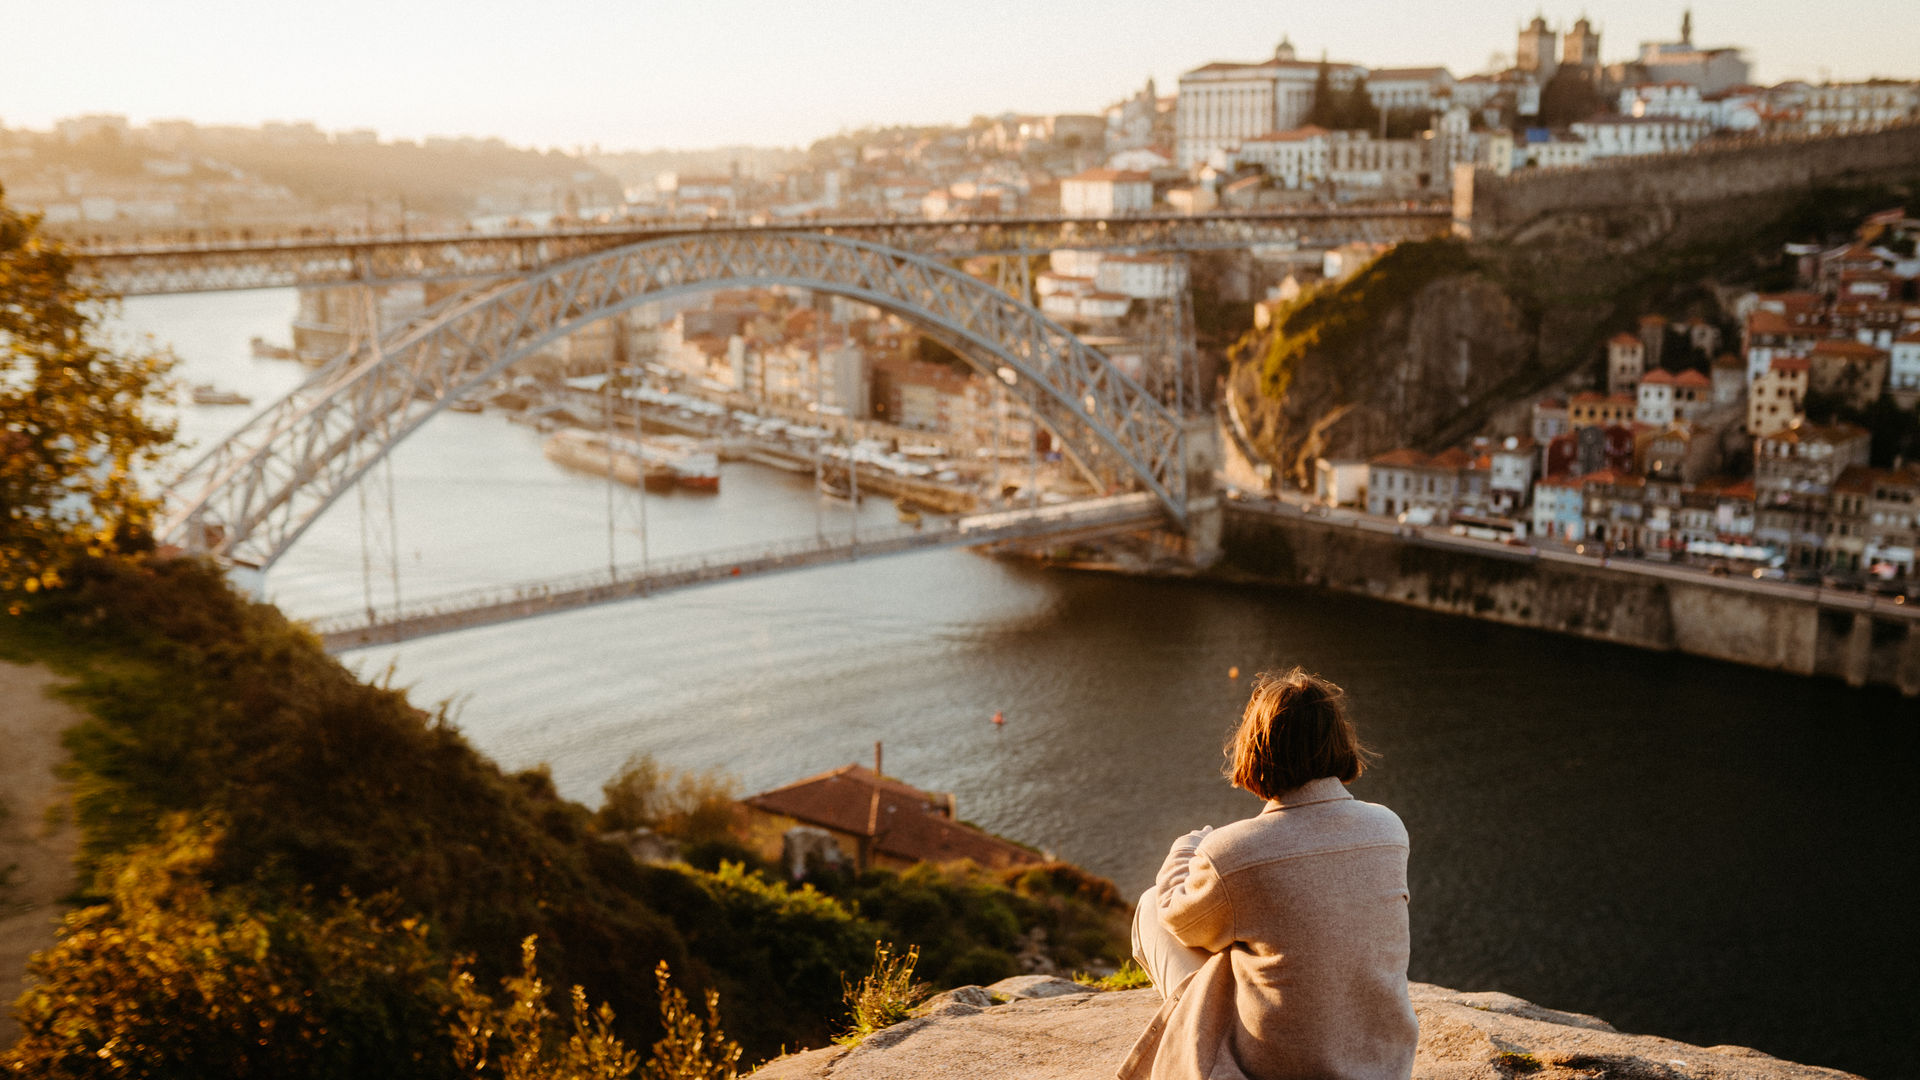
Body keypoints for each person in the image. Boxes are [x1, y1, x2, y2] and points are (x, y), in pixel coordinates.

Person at [1118, 668, 1417, 1080]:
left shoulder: (1234, 851)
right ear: (1339, 741)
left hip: (1277, 1071)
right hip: (1382, 1068)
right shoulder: (1389, 828)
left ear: (1256, 749)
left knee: (1155, 905)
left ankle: (1196, 1053)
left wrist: (1189, 847)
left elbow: (1179, 922)